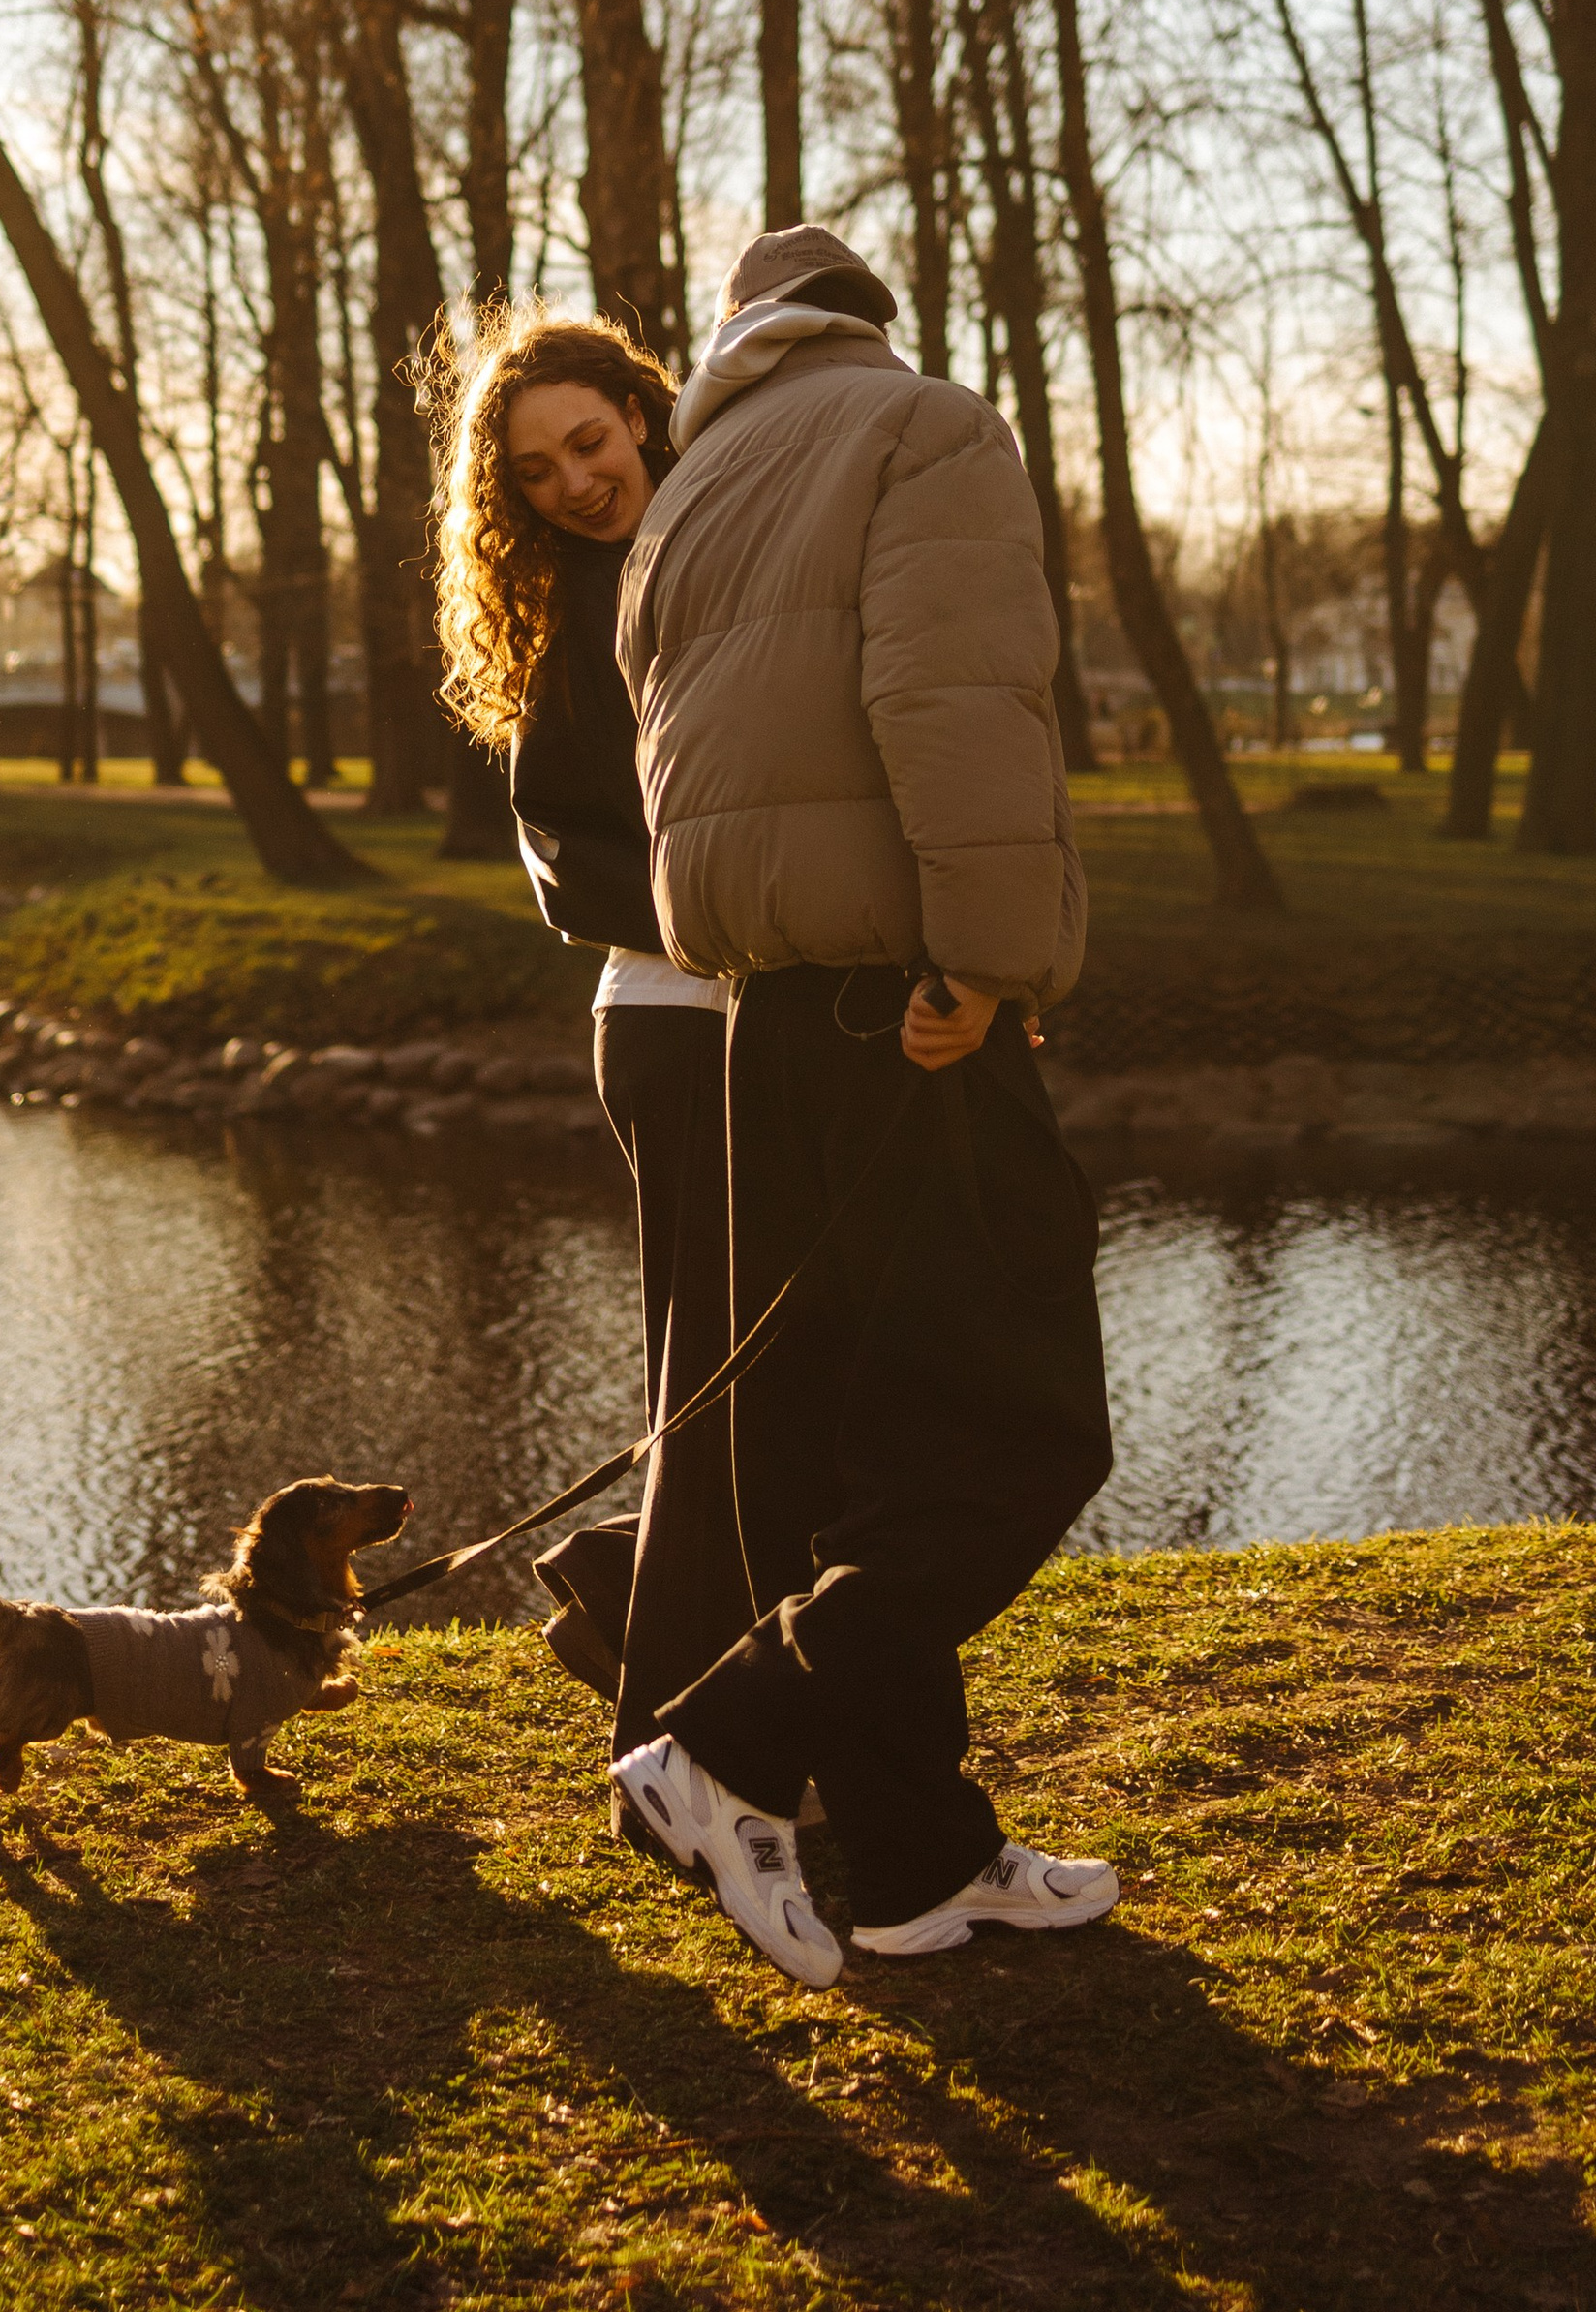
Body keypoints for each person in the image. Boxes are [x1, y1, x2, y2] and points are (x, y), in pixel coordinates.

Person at [609, 224, 1117, 1991]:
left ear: (738, 341)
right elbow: (955, 699)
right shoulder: (923, 429)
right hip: (903, 1014)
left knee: (848, 1467)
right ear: (866, 323)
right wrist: (984, 962)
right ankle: (724, 1741)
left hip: (755, 1017)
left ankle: (917, 1861)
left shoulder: (691, 486)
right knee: (1022, 1429)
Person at [430, 310, 748, 1756]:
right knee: (711, 1385)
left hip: (787, 1018)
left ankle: (630, 1604)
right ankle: (663, 1718)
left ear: (643, 411)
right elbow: (561, 852)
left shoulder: (730, 536)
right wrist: (731, 923)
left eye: (590, 440)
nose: (574, 480)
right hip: (681, 1025)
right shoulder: (569, 609)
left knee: (789, 1386)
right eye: (537, 470)